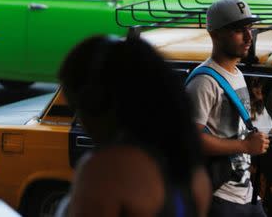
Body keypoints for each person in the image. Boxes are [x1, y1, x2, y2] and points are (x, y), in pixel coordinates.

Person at [58, 35, 211, 216]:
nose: (80, 119)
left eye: (78, 105)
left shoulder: (106, 170)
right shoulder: (195, 175)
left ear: (98, 102)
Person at [186, 0, 270, 216]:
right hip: (219, 196)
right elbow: (190, 140)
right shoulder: (204, 82)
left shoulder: (237, 74)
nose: (248, 37)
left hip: (245, 194)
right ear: (215, 34)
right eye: (238, 30)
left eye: (249, 28)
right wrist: (244, 147)